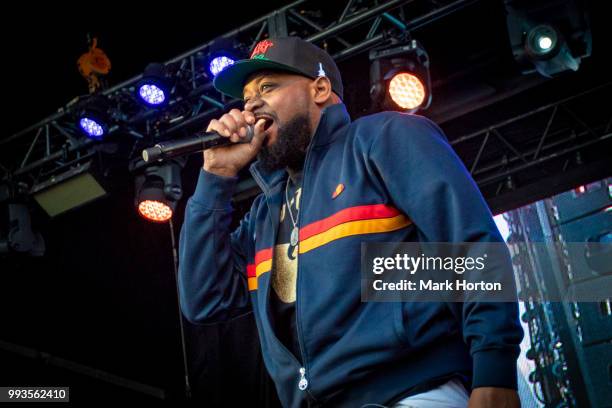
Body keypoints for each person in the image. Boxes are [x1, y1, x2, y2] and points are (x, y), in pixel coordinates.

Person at [178, 36, 523, 408]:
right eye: (246, 97)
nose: (251, 105)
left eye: (268, 87)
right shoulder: (265, 214)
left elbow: (471, 244)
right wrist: (216, 176)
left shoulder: (384, 137)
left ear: (320, 88)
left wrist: (494, 368)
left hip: (412, 392)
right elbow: (205, 300)